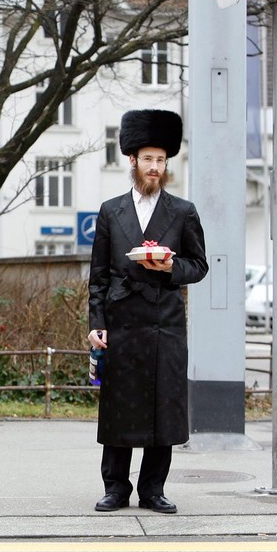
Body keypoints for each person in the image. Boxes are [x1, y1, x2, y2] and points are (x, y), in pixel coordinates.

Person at [87, 109, 208, 515]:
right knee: (120, 408)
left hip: (165, 326)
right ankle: (115, 489)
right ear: (133, 161)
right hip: (121, 324)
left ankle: (153, 490)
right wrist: (96, 325)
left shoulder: (183, 211)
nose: (155, 167)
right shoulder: (110, 210)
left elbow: (199, 266)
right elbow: (98, 277)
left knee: (164, 408)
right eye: (148, 159)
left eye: (161, 160)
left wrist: (171, 265)